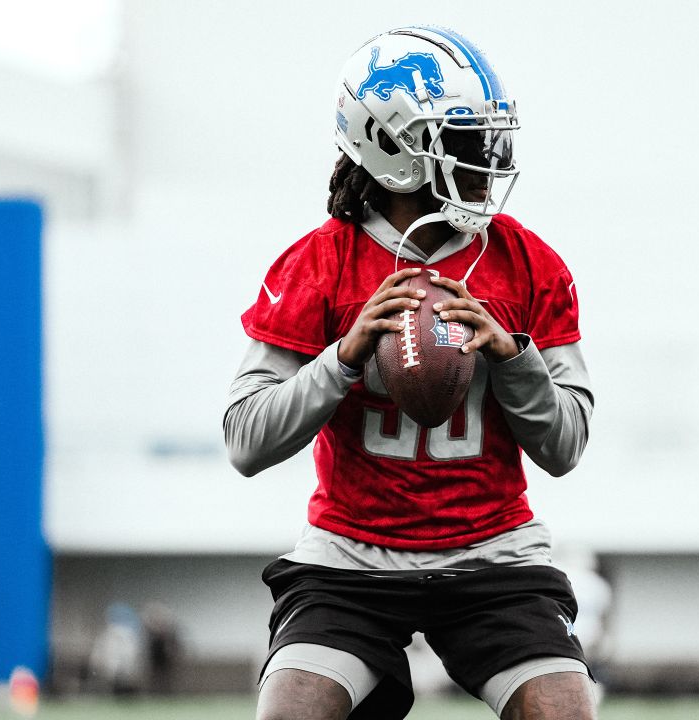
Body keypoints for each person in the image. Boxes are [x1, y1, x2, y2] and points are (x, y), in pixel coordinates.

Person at [224, 26, 595, 720]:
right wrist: (344, 356)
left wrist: (513, 360)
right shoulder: (318, 264)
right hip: (351, 555)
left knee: (563, 711)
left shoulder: (526, 263)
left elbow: (567, 446)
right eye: (460, 138)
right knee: (291, 712)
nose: (487, 156)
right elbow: (244, 439)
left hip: (493, 549)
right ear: (390, 146)